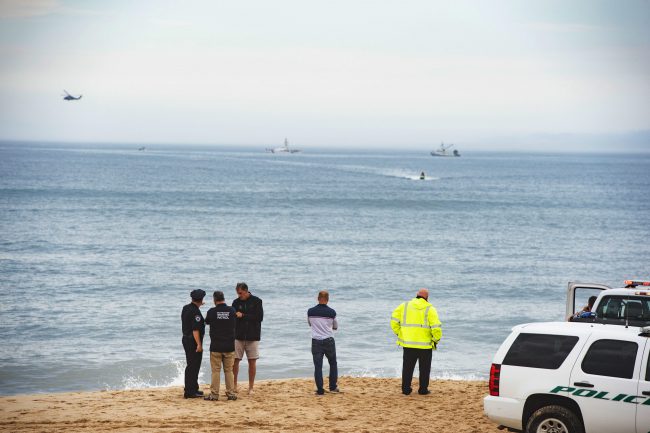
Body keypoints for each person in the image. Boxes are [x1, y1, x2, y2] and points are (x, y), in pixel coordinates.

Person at [391, 288, 442, 395]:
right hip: (425, 346)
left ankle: (406, 389)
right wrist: (435, 340)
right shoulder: (430, 308)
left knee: (407, 368)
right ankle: (423, 390)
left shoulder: (404, 306)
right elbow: (436, 328)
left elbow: (394, 320)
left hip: (408, 343)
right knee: (424, 369)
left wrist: (399, 333)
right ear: (427, 298)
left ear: (416, 295)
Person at [204, 290, 238, 401]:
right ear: (224, 298)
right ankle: (231, 393)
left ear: (214, 300)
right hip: (229, 346)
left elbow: (207, 322)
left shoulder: (211, 312)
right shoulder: (232, 310)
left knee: (216, 371)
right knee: (228, 370)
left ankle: (214, 394)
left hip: (216, 346)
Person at [232, 282, 263, 395]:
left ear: (246, 291)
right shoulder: (235, 302)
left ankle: (251, 388)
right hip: (238, 336)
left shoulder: (257, 301)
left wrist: (243, 316)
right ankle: (234, 386)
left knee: (252, 362)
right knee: (235, 361)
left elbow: (259, 317)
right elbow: (233, 318)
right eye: (237, 293)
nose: (239, 295)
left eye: (240, 293)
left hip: (253, 336)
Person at [308, 290, 339, 395]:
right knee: (333, 363)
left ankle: (320, 390)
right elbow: (335, 327)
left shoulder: (310, 311)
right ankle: (333, 387)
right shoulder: (332, 312)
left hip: (316, 341)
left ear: (318, 298)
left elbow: (310, 324)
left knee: (318, 366)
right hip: (328, 340)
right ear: (328, 300)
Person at [181, 289, 206, 399]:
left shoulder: (186, 308)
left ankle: (193, 388)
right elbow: (195, 330)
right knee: (193, 366)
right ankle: (190, 391)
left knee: (191, 364)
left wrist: (198, 306)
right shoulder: (196, 312)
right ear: (201, 299)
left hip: (186, 339)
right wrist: (199, 345)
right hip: (193, 341)